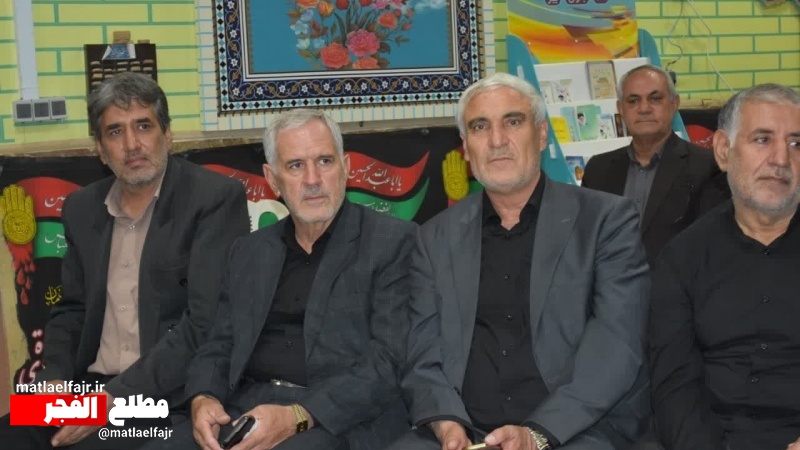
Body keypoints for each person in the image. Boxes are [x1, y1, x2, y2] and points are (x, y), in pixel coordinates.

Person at [389, 72, 651, 450]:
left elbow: (616, 345)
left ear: (541, 135)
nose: (497, 141)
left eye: (513, 122)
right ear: (466, 148)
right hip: (466, 432)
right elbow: (422, 354)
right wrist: (446, 424)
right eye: (480, 127)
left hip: (575, 429)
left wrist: (538, 434)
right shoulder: (434, 238)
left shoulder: (606, 221)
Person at [0, 72, 250, 449]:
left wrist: (111, 400)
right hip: (88, 390)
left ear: (168, 135)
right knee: (9, 432)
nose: (132, 144)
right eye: (115, 132)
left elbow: (204, 323)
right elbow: (71, 310)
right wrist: (54, 379)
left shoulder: (213, 199)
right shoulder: (82, 208)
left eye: (143, 126)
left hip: (164, 400)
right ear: (100, 150)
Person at [142, 108, 416, 450]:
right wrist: (204, 396)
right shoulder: (248, 251)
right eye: (296, 166)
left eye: (325, 161)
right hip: (245, 407)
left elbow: (388, 361)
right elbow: (219, 342)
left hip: (338, 419)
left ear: (346, 167)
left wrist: (297, 416)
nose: (313, 179)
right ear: (272, 179)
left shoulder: (393, 242)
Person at [649, 84, 800, 450]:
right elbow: (674, 386)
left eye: (797, 143)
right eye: (762, 139)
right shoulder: (682, 257)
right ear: (722, 150)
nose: (782, 158)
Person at [581, 64, 729, 266]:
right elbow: (586, 242)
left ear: (674, 103)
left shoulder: (708, 166)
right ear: (620, 109)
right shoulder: (598, 169)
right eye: (633, 101)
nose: (644, 109)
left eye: (655, 98)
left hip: (677, 284)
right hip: (611, 284)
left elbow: (713, 244)